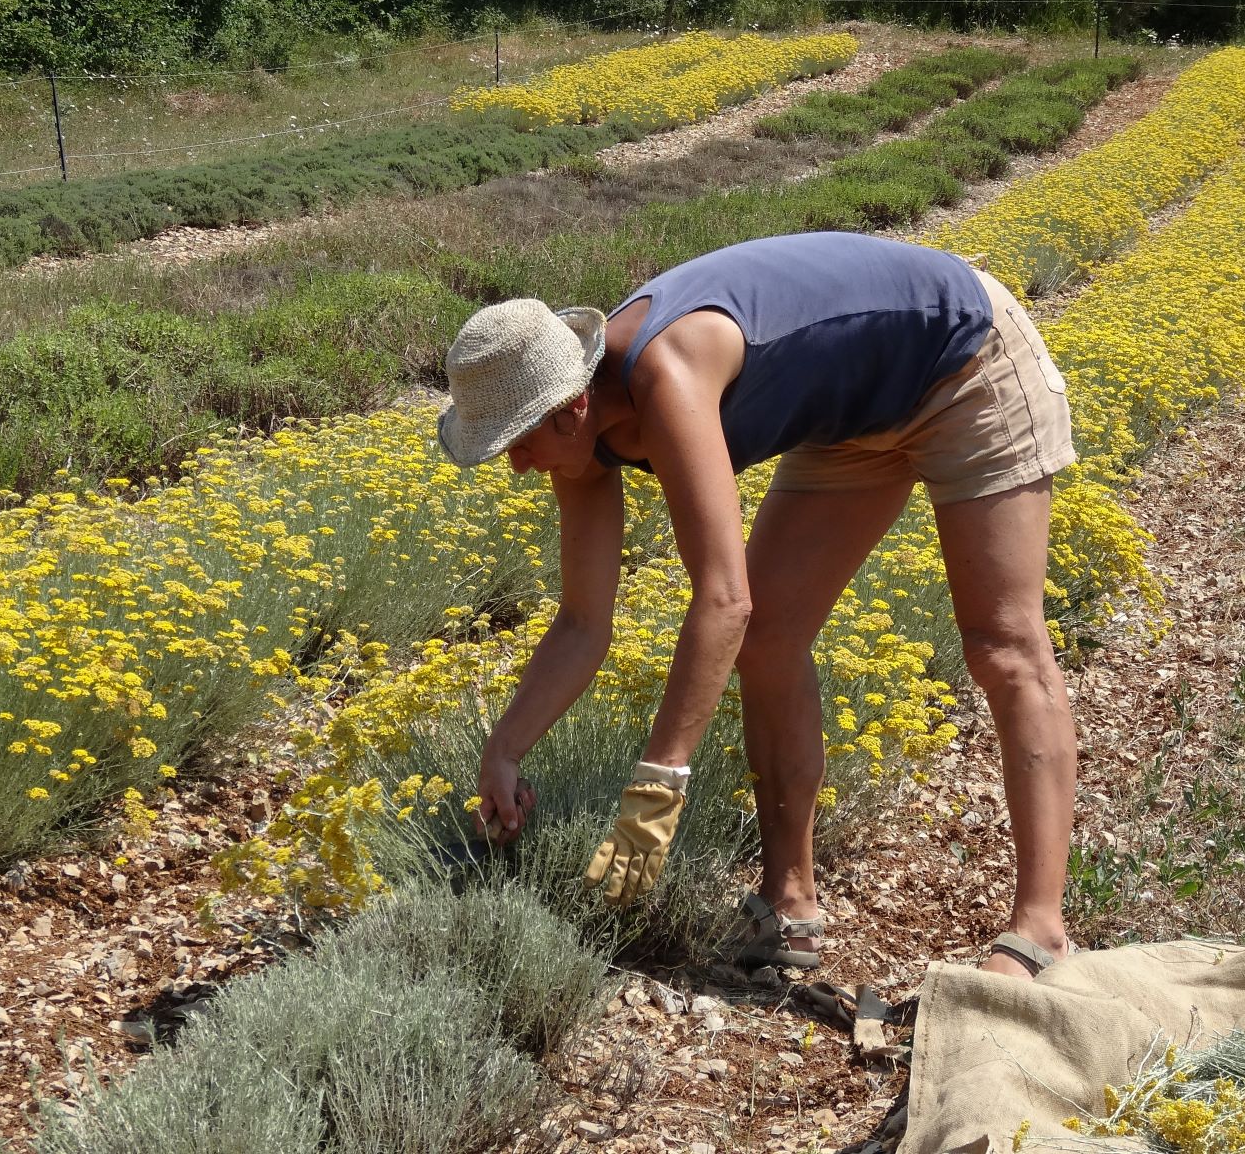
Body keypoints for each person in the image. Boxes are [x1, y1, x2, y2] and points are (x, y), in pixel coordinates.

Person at [436, 231, 1078, 978]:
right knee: (771, 639)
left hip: (961, 358)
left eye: (516, 443)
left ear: (572, 408)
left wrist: (658, 790)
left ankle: (1040, 931)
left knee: (1000, 643)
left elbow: (722, 596)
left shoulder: (665, 371)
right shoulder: (581, 439)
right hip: (854, 417)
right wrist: (505, 747)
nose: (516, 465)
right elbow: (584, 621)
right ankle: (790, 901)